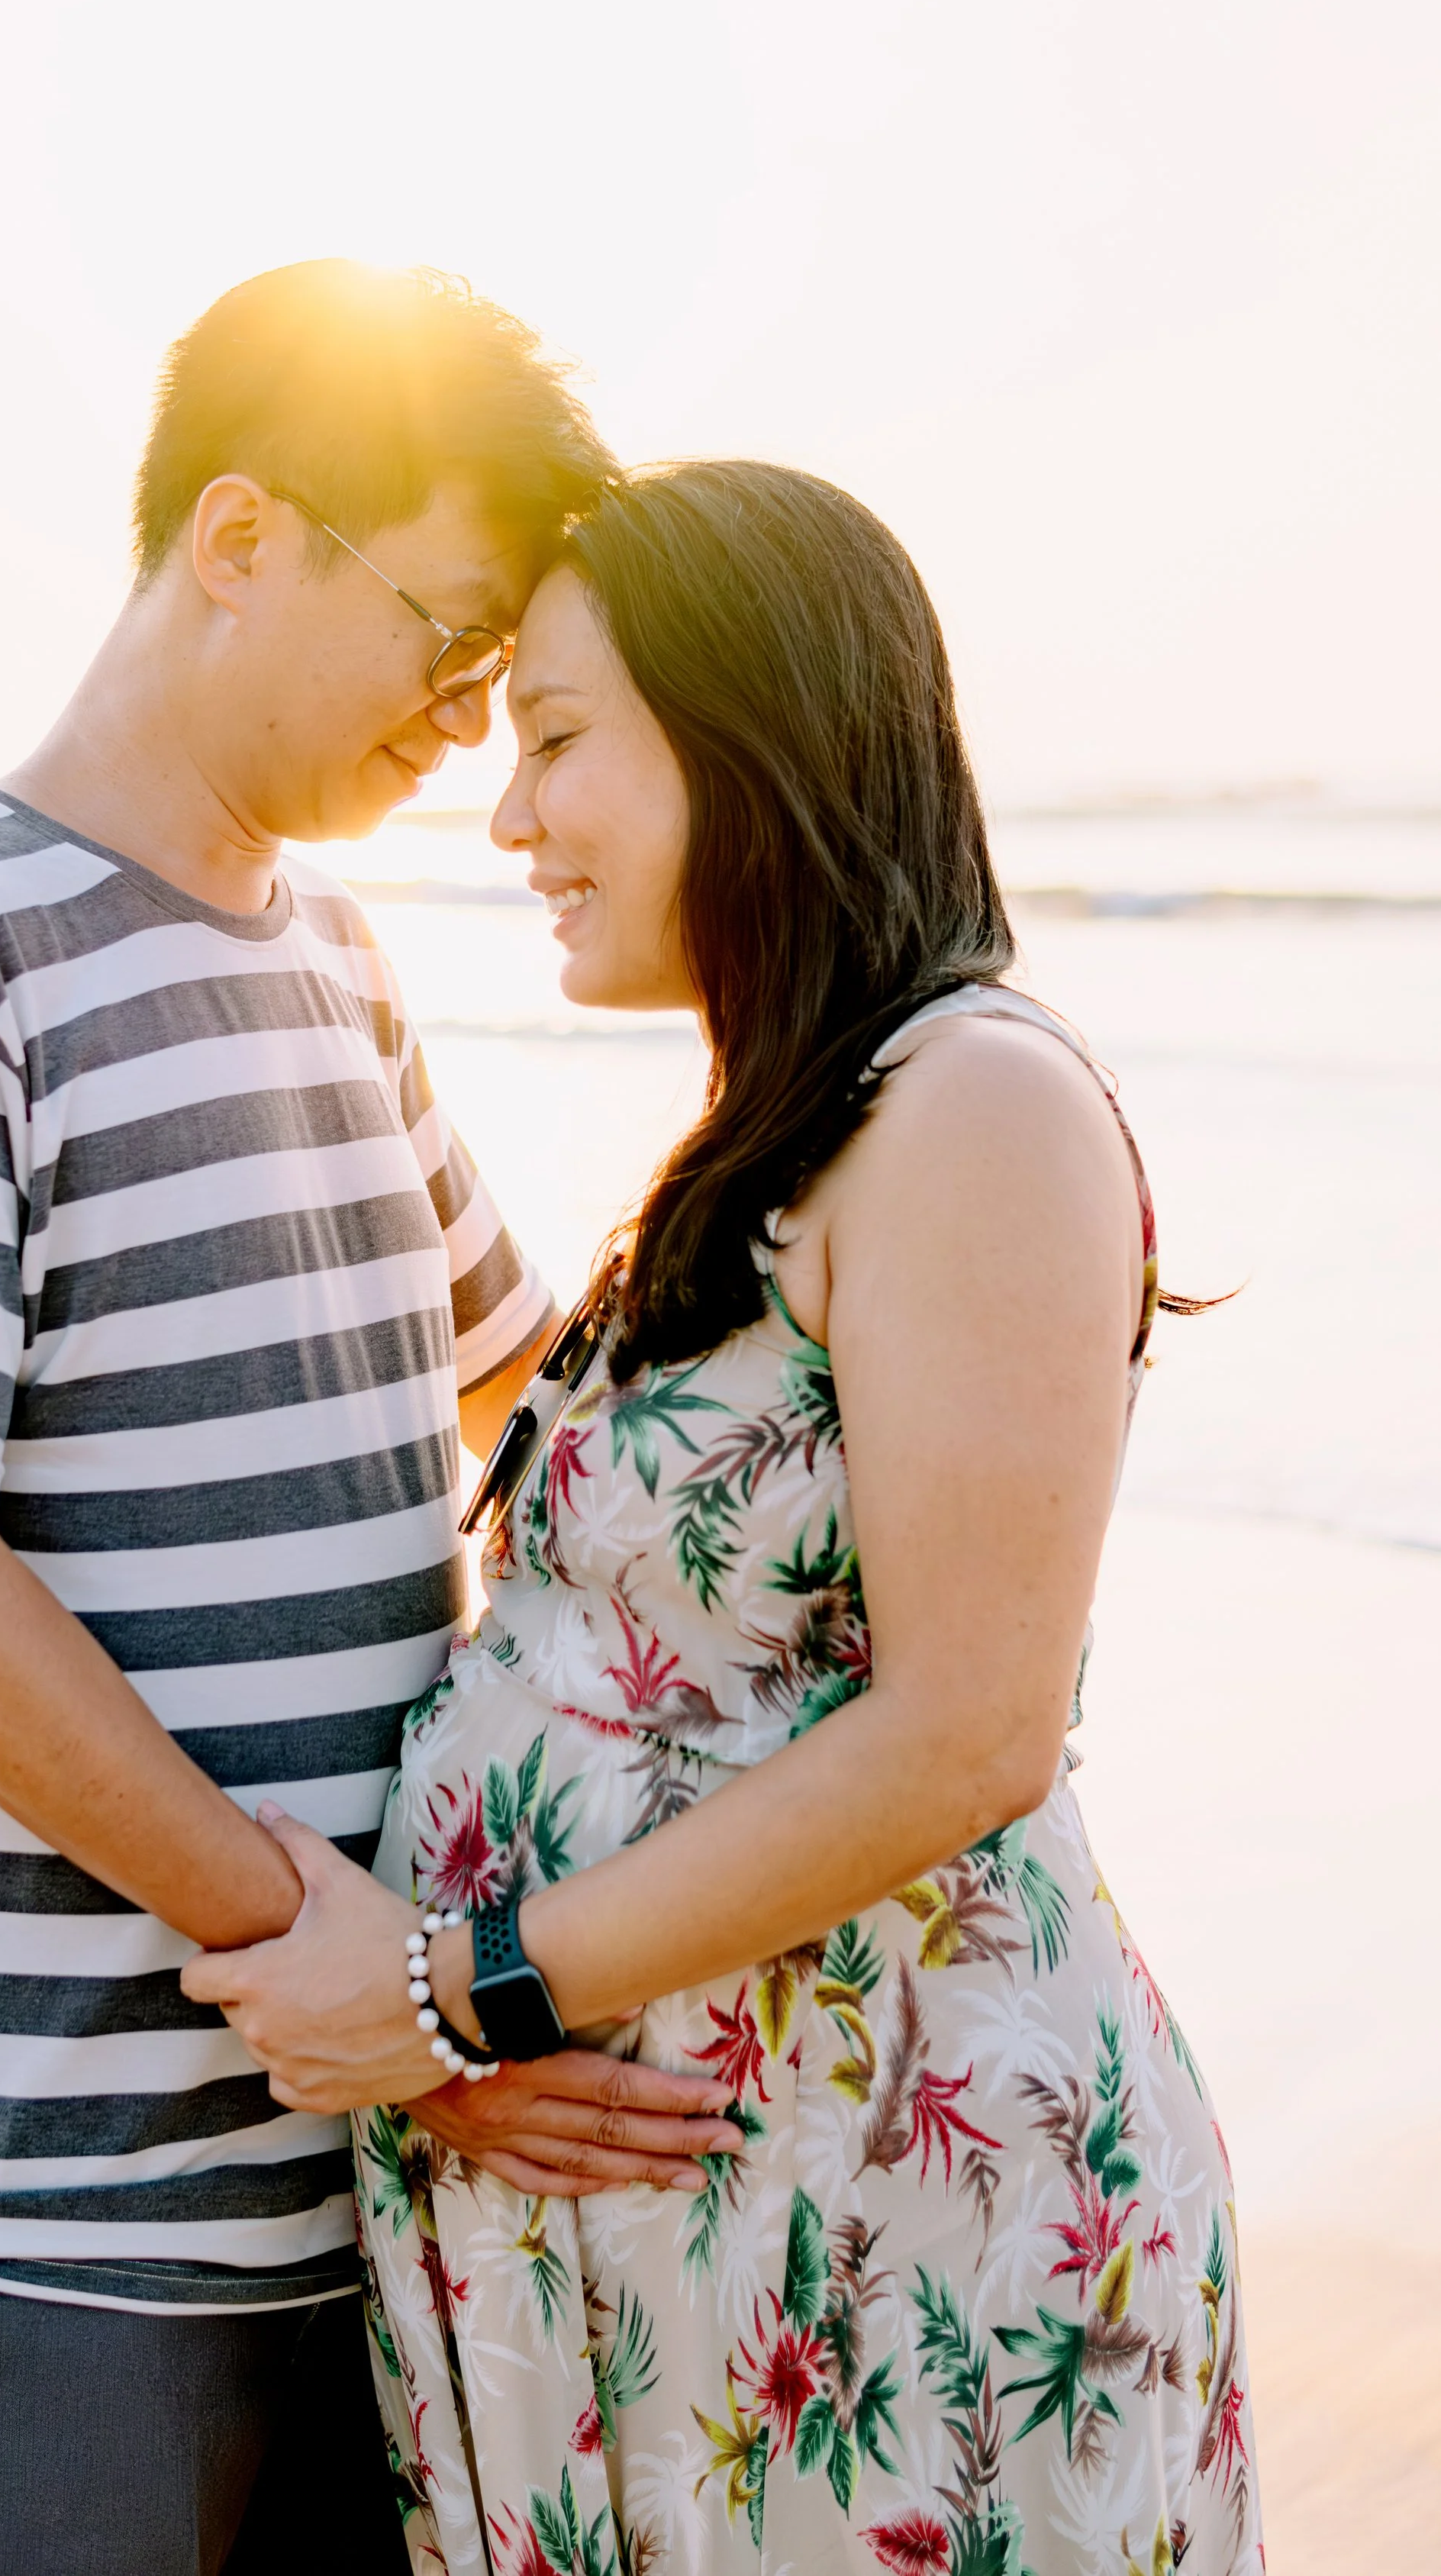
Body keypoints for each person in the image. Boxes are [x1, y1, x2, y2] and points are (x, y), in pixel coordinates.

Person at [0, 262, 746, 2576]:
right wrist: (339, 1948)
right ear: (244, 535)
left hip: (371, 2173)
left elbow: (523, 1373)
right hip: (59, 2225)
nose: (468, 725)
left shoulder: (334, 961)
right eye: (448, 642)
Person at [182, 461, 1264, 2572]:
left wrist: (451, 1991)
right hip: (708, 2234)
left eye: (560, 737)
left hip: (902, 2223)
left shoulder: (974, 1102)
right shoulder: (771, 1143)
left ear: (748, 733)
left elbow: (967, 1727)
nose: (510, 819)